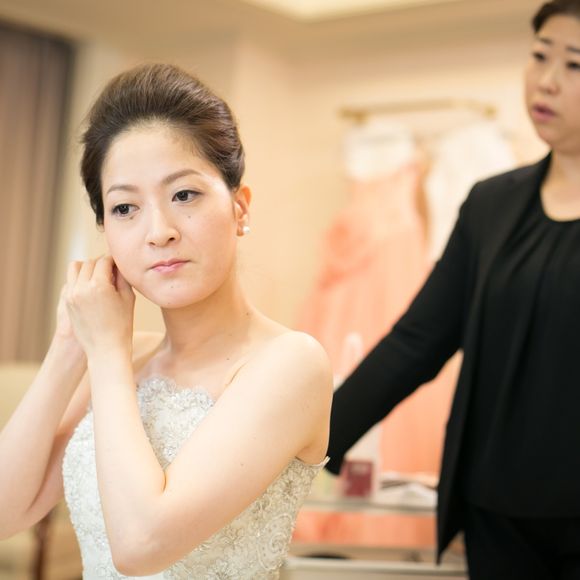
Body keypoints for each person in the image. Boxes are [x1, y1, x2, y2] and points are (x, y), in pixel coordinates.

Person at [0, 63, 332, 579]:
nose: (158, 231)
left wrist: (105, 351)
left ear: (240, 209)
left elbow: (141, 544)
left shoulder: (291, 364)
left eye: (184, 195)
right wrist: (70, 345)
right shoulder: (122, 354)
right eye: (125, 208)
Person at [326, 1, 580, 578]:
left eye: (574, 64)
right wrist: (310, 444)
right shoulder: (491, 204)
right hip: (496, 514)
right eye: (540, 56)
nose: (546, 80)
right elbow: (417, 341)